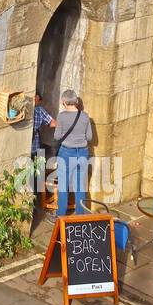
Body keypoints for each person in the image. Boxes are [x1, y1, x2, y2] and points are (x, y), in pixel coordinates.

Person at [49, 89, 93, 218]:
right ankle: (80, 216)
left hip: (67, 153)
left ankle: (60, 215)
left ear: (64, 102)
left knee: (63, 185)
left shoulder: (62, 116)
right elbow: (89, 137)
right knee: (80, 186)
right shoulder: (85, 116)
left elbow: (57, 136)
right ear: (76, 102)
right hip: (83, 153)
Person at [32, 93, 54, 208]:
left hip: (35, 149)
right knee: (36, 178)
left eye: (37, 99)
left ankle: (35, 202)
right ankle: (35, 202)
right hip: (34, 149)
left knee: (36, 178)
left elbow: (52, 123)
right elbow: (52, 123)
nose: (36, 101)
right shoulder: (38, 110)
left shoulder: (39, 111)